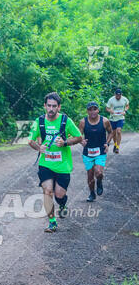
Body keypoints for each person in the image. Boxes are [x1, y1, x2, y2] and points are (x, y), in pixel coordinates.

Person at [28, 92, 82, 233]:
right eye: (49, 106)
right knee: (48, 191)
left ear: (59, 107)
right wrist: (39, 148)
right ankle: (52, 222)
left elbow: (78, 137)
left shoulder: (66, 121)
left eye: (54, 106)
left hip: (63, 165)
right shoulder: (39, 121)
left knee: (59, 195)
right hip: (46, 163)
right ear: (45, 106)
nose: (51, 109)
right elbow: (30, 141)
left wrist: (65, 142)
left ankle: (63, 204)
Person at [78, 102, 113, 202]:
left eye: (94, 109)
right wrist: (81, 141)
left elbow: (111, 132)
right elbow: (78, 136)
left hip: (100, 152)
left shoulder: (104, 121)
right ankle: (92, 193)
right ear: (87, 111)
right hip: (88, 153)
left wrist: (107, 143)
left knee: (98, 172)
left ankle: (100, 181)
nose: (92, 111)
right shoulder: (83, 122)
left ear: (98, 110)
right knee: (90, 175)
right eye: (90, 109)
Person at [106, 88, 129, 154]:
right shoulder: (111, 100)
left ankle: (118, 147)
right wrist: (111, 111)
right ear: (115, 94)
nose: (118, 96)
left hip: (121, 117)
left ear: (121, 95)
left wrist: (125, 111)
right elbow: (107, 108)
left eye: (119, 95)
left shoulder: (124, 99)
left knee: (118, 131)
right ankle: (115, 144)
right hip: (113, 118)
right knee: (113, 133)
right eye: (117, 95)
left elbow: (127, 105)